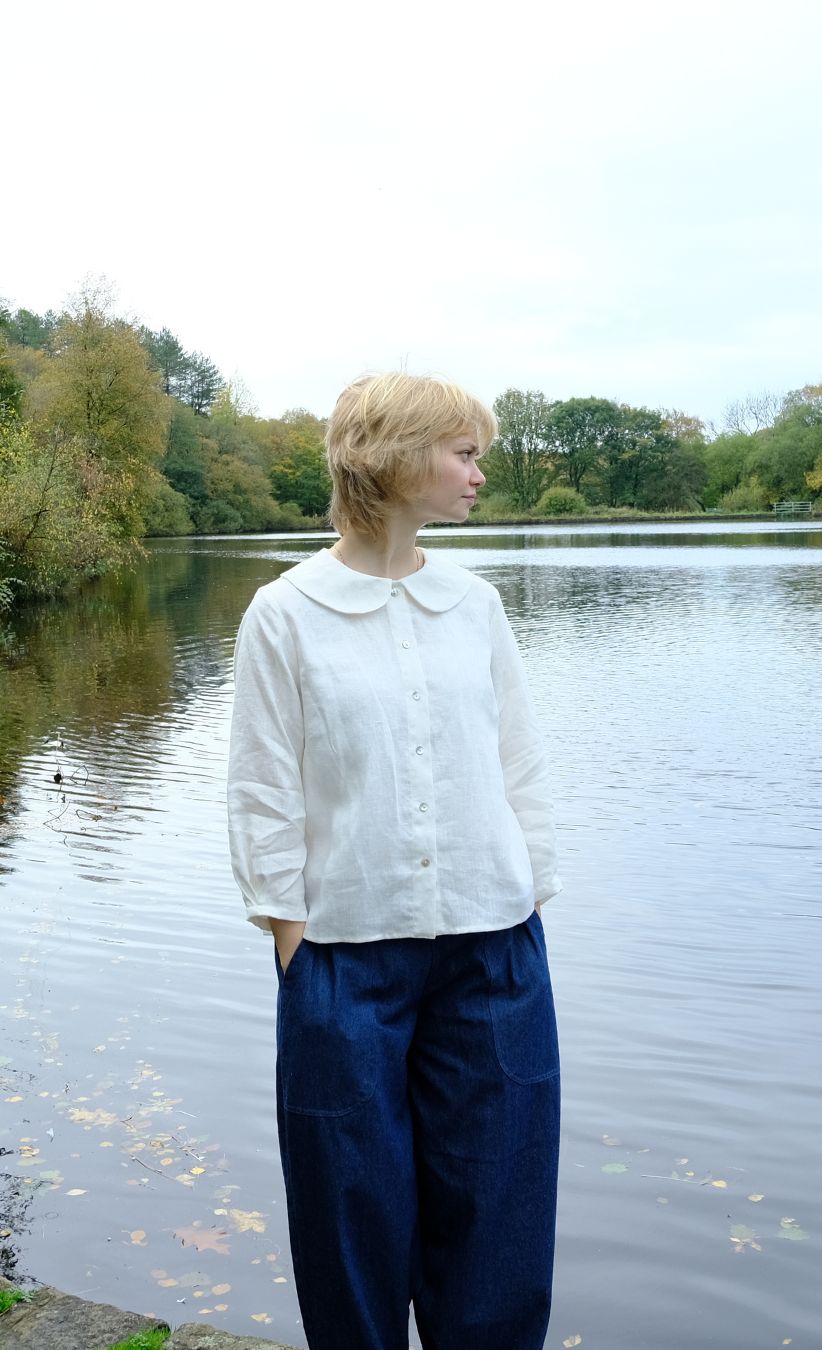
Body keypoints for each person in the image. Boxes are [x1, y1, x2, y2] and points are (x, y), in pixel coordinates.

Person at [227, 372, 562, 1350]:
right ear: (396, 458)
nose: (479, 471)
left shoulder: (476, 607)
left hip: (493, 959)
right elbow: (261, 796)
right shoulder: (285, 614)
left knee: (498, 1217)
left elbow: (522, 768)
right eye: (464, 452)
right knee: (352, 1224)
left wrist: (525, 894)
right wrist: (292, 943)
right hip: (344, 963)